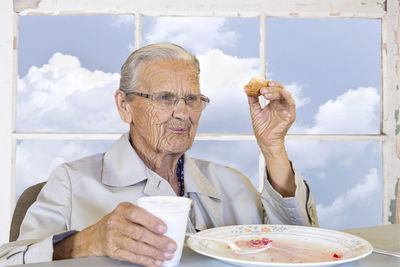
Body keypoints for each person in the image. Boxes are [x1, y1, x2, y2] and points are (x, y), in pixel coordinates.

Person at [0, 43, 318, 267]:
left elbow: (301, 247)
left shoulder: (231, 183)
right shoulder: (71, 181)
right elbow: (9, 260)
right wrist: (83, 243)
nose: (182, 112)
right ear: (124, 106)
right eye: (165, 98)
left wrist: (273, 147)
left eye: (192, 98)